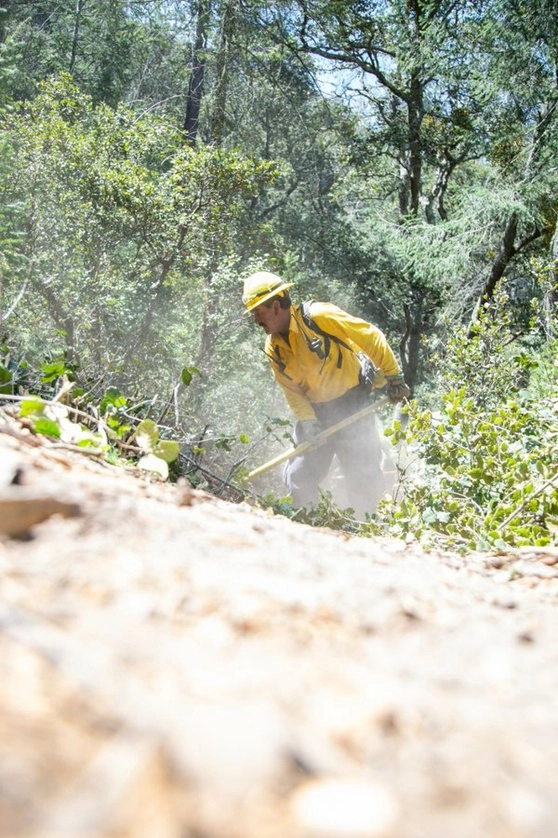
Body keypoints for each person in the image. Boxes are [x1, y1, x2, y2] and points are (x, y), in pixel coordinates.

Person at [243, 271, 410, 518]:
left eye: (258, 311)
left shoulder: (318, 316)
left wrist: (394, 377)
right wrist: (308, 421)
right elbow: (292, 391)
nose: (256, 319)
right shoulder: (274, 348)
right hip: (316, 413)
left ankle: (368, 528)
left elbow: (370, 336)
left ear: (276, 306)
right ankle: (306, 524)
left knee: (363, 474)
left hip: (352, 403)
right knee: (299, 476)